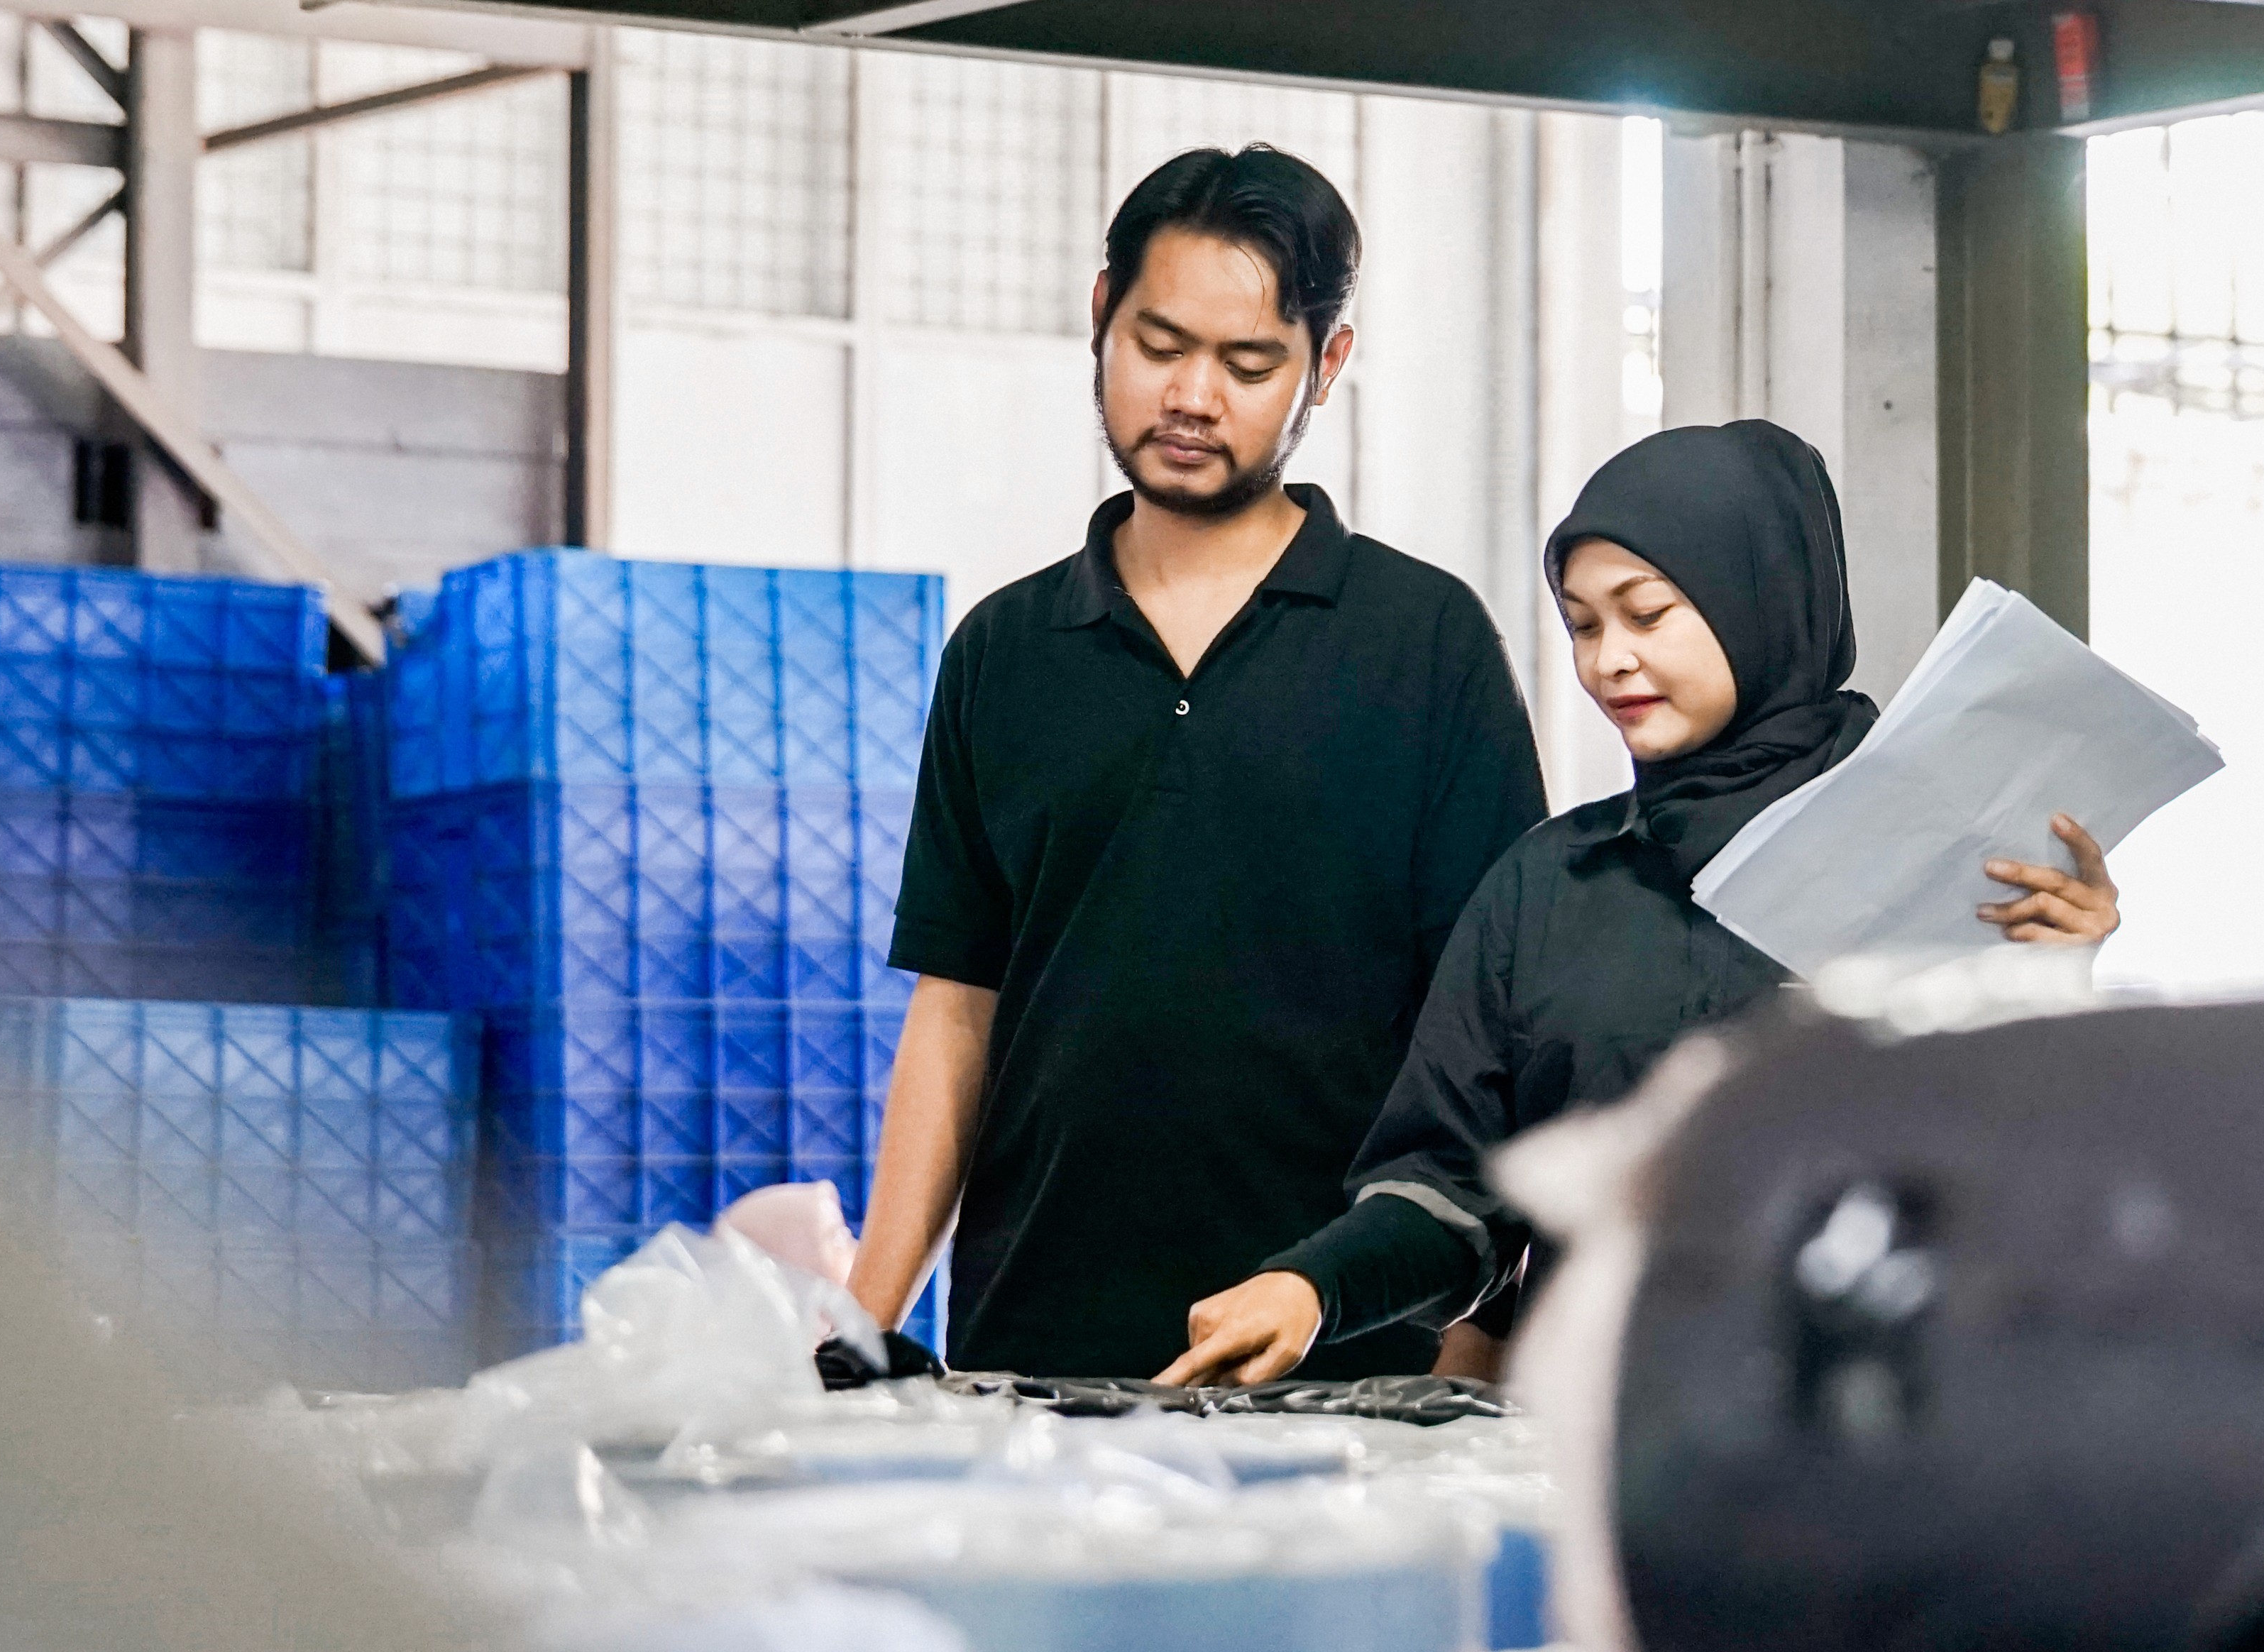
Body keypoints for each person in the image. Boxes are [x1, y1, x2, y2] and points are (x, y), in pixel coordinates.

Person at [1159, 418, 2117, 1387]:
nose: (1607, 660)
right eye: (1582, 623)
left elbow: (2030, 1193)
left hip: (1871, 1444)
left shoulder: (1946, 861)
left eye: (1645, 613)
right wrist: (1314, 1287)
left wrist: (2057, 982)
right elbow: (1454, 1194)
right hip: (1598, 1442)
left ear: (1764, 601)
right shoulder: (1548, 887)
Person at [843, 146, 1546, 1377]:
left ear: (1327, 364)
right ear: (1101, 313)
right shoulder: (1004, 652)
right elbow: (957, 1011)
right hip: (1038, 1354)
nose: (1193, 396)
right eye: (1159, 345)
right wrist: (862, 1315)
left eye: (1249, 363)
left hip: (1344, 1364)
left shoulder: (1426, 647)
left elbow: (1494, 1037)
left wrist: (1470, 1350)